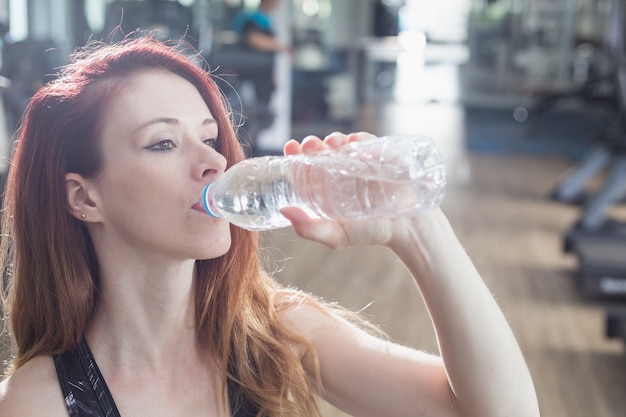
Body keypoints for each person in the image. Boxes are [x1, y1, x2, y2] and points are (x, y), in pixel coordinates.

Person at [0, 35, 539, 417]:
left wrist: (418, 232)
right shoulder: (41, 401)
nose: (213, 161)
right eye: (164, 143)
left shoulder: (274, 333)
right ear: (83, 197)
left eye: (209, 137)